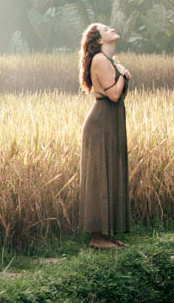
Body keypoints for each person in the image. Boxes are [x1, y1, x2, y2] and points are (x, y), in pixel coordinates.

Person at [78, 22, 131, 250]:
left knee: (110, 173)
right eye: (105, 29)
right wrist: (124, 75)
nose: (111, 29)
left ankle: (106, 236)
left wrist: (121, 73)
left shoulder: (108, 60)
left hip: (110, 121)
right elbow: (114, 94)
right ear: (99, 40)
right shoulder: (100, 59)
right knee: (100, 176)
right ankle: (96, 238)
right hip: (101, 123)